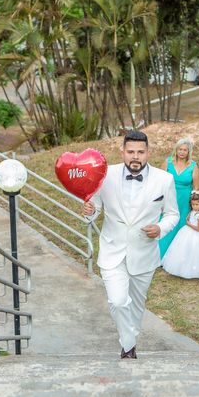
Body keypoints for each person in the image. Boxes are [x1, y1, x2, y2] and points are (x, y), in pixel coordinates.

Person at [82, 131, 179, 359]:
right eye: (131, 152)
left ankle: (129, 345)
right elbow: (94, 209)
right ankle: (128, 346)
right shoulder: (104, 175)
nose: (135, 157)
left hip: (144, 252)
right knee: (117, 300)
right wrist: (89, 212)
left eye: (140, 152)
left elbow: (173, 214)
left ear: (148, 153)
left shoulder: (164, 180)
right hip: (112, 250)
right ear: (122, 152)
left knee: (136, 305)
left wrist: (160, 229)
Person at [162, 191, 199, 279]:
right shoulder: (193, 211)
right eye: (193, 204)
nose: (194, 206)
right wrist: (189, 220)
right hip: (187, 232)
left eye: (197, 204)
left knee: (197, 250)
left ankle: (198, 270)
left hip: (197, 233)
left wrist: (189, 224)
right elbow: (189, 218)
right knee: (185, 248)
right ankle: (184, 267)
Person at [158, 138, 199, 259]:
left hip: (184, 199)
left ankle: (177, 257)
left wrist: (195, 204)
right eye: (180, 149)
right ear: (176, 150)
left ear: (188, 152)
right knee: (165, 222)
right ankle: (161, 254)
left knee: (181, 224)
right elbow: (159, 181)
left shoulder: (193, 166)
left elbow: (196, 188)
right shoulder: (168, 162)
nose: (182, 152)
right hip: (168, 197)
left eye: (185, 150)